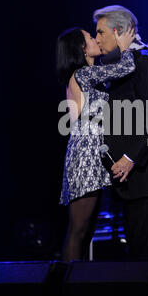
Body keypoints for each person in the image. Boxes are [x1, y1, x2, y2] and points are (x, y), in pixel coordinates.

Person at [93, 5, 148, 260]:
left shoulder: (144, 62)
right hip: (132, 181)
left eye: (100, 32)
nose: (97, 39)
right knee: (137, 253)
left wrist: (130, 158)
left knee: (145, 255)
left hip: (145, 178)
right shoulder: (127, 62)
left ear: (118, 31)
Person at [57, 27, 136, 261]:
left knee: (86, 231)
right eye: (90, 38)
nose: (95, 39)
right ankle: (66, 287)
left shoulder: (89, 76)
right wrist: (125, 45)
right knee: (78, 231)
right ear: (82, 48)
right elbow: (125, 67)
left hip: (93, 155)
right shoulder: (83, 74)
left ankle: (75, 282)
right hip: (85, 157)